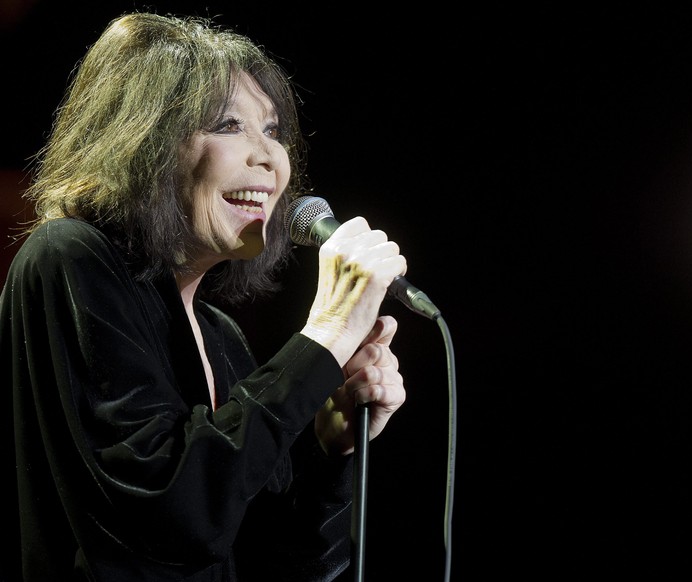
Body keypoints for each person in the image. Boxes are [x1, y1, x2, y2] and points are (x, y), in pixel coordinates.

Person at [0, 11, 408, 582]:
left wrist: (328, 447)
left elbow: (277, 563)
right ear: (141, 143)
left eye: (272, 130)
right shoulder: (68, 258)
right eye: (226, 124)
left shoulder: (222, 336)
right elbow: (168, 515)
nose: (268, 158)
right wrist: (327, 334)